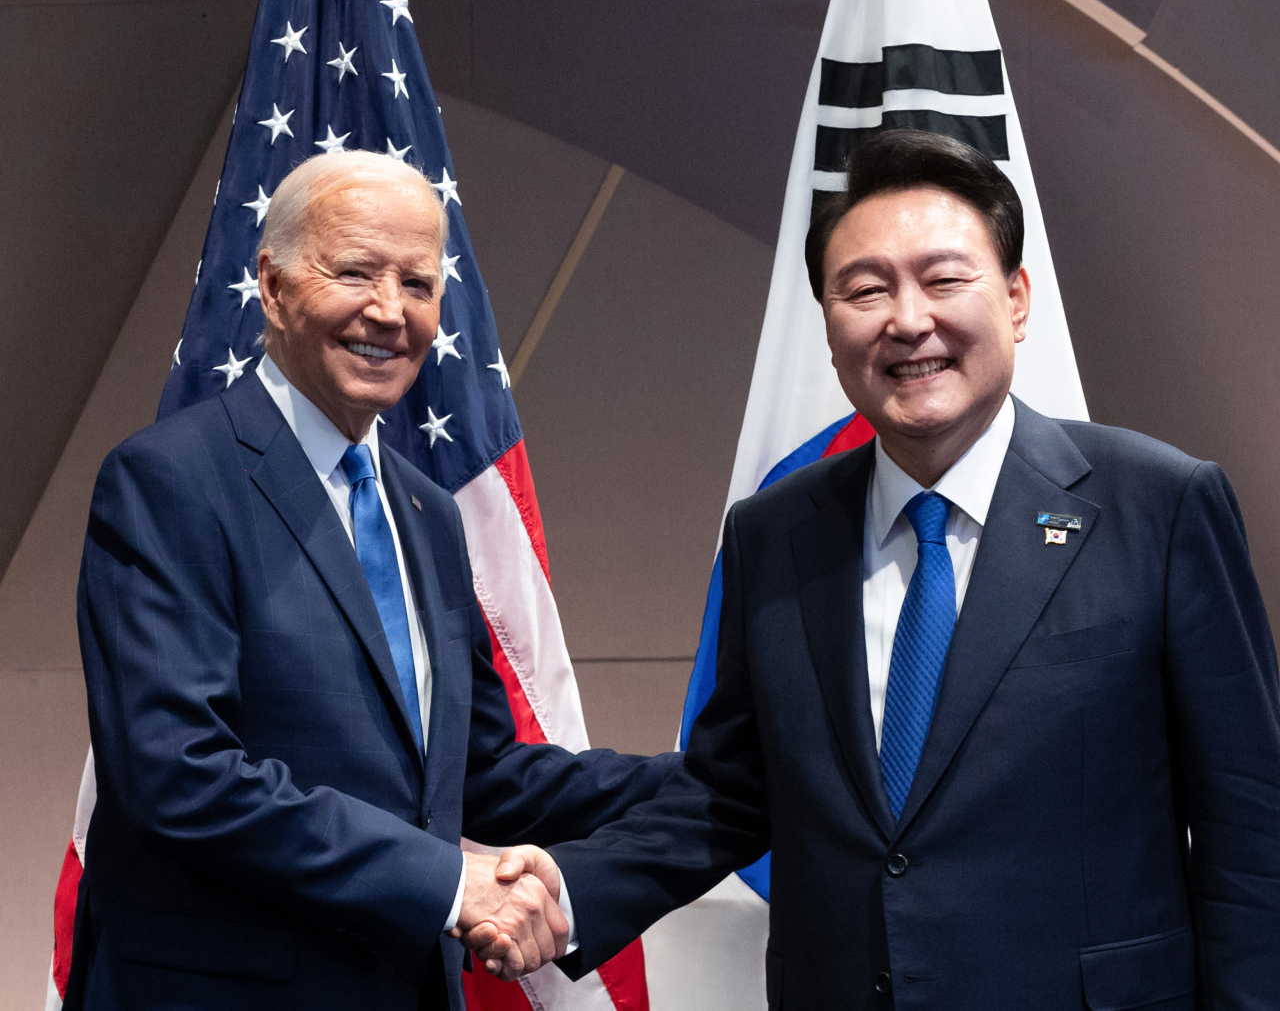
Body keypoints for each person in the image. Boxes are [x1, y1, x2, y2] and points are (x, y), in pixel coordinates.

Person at [489, 129, 1280, 1007]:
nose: (908, 320)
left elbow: (1253, 828)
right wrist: (570, 892)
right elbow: (731, 796)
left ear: (1017, 300)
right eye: (866, 289)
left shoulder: (1159, 507)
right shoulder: (775, 533)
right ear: (828, 325)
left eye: (944, 279)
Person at [69, 151, 679, 1011]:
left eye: (419, 284)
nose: (390, 312)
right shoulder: (169, 481)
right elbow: (180, 772)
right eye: (354, 272)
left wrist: (711, 775)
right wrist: (446, 883)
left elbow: (478, 776)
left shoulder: (428, 514)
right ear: (273, 288)